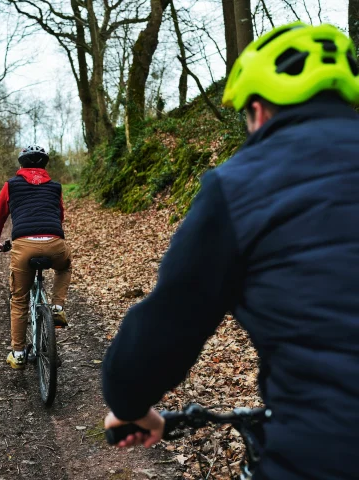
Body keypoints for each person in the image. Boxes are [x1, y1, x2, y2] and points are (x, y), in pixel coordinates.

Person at [101, 22, 359, 480]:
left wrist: (130, 404)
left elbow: (172, 318)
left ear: (258, 111)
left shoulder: (242, 183)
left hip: (325, 452)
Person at [0, 145, 72, 370]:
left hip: (24, 247)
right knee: (64, 267)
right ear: (44, 165)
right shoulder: (55, 186)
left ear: (21, 164)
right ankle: (56, 307)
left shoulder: (11, 185)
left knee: (19, 299)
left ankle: (18, 353)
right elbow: (59, 214)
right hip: (55, 243)